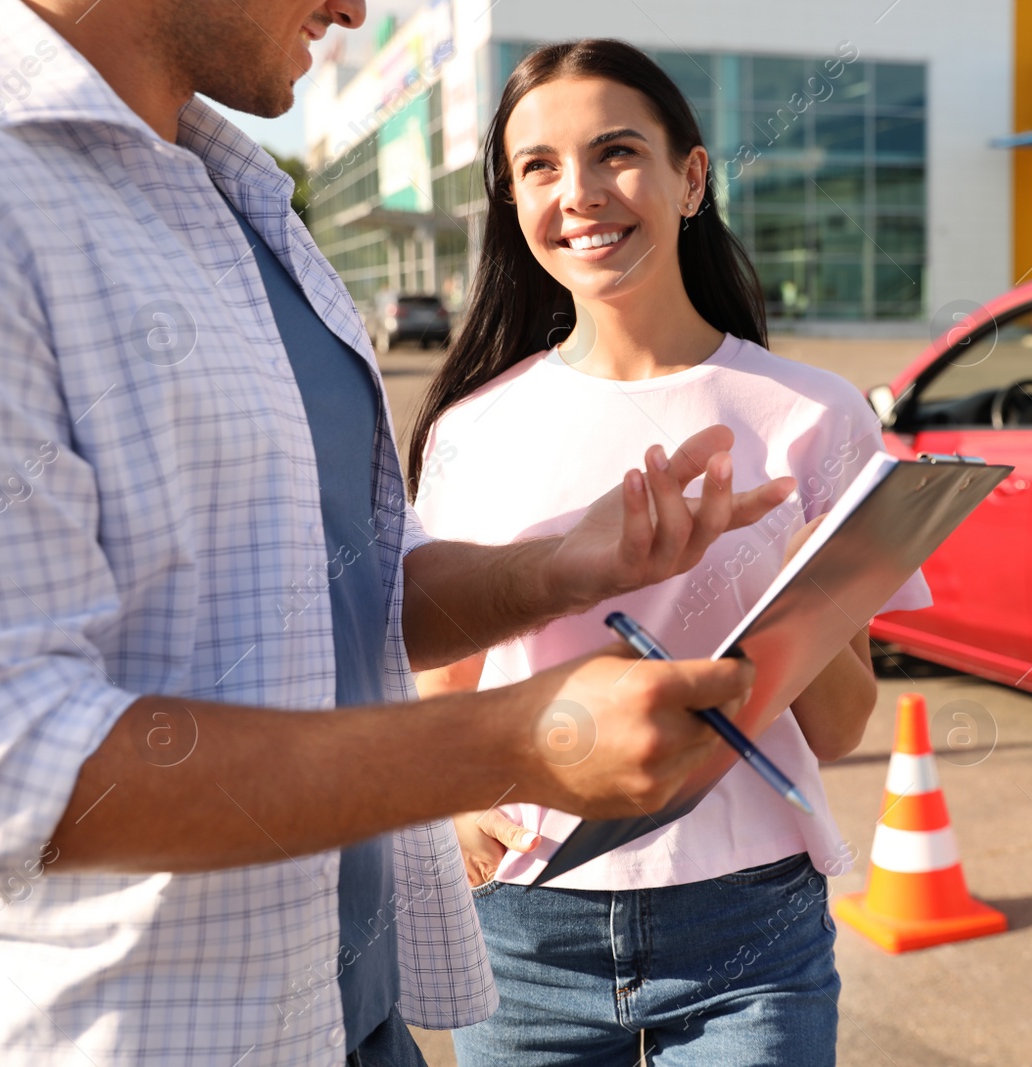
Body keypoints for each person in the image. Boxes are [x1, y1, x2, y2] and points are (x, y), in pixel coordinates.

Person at [0, 3, 797, 1064]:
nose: (356, 10)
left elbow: (349, 593)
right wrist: (512, 742)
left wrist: (559, 567)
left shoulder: (234, 189)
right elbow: (8, 759)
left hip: (355, 1015)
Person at [408, 39, 931, 1066]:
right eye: (540, 167)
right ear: (512, 202)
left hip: (751, 925)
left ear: (692, 178)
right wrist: (461, 802)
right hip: (525, 925)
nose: (582, 193)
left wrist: (791, 562)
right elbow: (440, 684)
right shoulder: (472, 427)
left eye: (616, 152)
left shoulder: (813, 415)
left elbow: (838, 728)